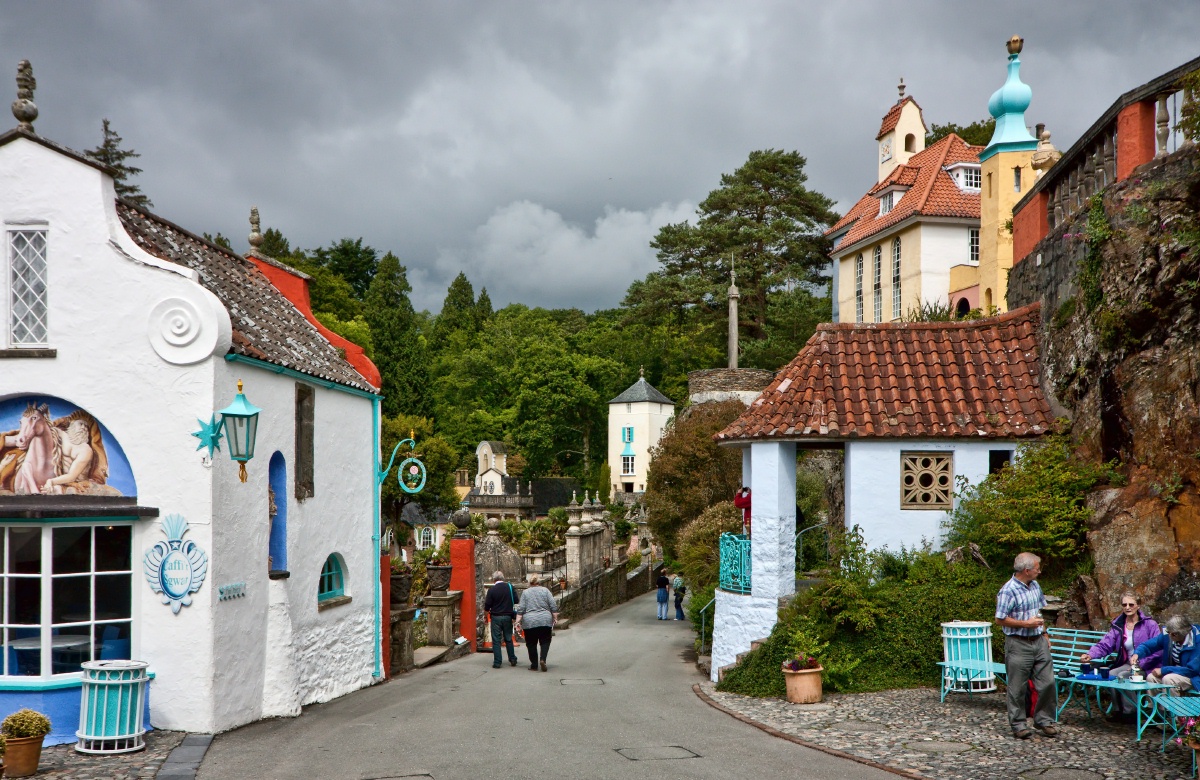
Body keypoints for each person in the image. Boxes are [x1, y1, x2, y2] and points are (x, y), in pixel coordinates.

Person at [995, 552, 1057, 739]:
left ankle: (1044, 720)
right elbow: (1000, 620)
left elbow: (1039, 613)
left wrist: (1045, 634)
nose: (1040, 571)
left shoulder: (1035, 585)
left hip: (1038, 641)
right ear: (1027, 570)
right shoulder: (1008, 590)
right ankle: (1018, 725)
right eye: (1037, 568)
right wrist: (1025, 624)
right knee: (1017, 688)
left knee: (1048, 682)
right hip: (1018, 643)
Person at [1079, 590, 1161, 721]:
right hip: (1127, 663)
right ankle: (1118, 710)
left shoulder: (1150, 625)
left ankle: (1131, 712)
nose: (1127, 607)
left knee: (1123, 676)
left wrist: (1140, 664)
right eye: (1124, 605)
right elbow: (1106, 644)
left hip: (1147, 665)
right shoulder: (1119, 625)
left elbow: (1158, 649)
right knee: (1111, 674)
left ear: (1138, 605)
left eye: (1131, 604)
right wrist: (1090, 654)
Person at [1132, 614, 1200, 695]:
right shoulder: (1169, 635)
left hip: (1193, 677)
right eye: (1168, 632)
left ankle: (1171, 707)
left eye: (1172, 634)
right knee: (1151, 678)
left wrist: (1164, 670)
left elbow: (1192, 670)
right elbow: (1148, 645)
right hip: (1174, 672)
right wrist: (1137, 654)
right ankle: (1153, 707)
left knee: (1169, 679)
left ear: (1182, 633)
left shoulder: (1197, 642)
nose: (1169, 635)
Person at [515, 576, 559, 672]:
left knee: (531, 643)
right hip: (545, 620)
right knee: (545, 641)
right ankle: (543, 659)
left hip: (529, 621)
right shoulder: (545, 591)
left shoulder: (525, 593)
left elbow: (521, 609)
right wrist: (555, 618)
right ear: (539, 582)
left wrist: (517, 622)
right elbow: (553, 605)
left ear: (530, 583)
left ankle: (534, 665)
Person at [483, 570, 519, 668]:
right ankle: (512, 659)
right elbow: (516, 600)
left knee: (496, 640)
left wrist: (485, 617)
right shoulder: (510, 588)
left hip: (496, 617)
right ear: (503, 578)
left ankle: (497, 662)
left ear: (494, 579)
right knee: (508, 638)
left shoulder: (491, 590)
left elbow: (487, 606)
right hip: (508, 616)